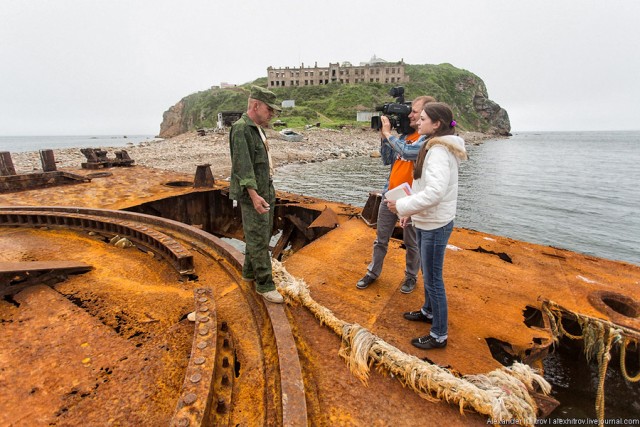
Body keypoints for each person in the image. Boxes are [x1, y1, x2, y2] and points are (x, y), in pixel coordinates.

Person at [387, 102, 467, 349]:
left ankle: (439, 335)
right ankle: (428, 312)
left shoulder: (439, 152)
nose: (416, 122)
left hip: (435, 224)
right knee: (428, 273)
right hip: (428, 219)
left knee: (433, 279)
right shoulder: (436, 147)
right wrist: (411, 213)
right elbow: (426, 190)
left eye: (422, 119)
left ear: (436, 124)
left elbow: (434, 192)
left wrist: (402, 206)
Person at [356, 96, 435, 293]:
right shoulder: (401, 138)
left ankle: (410, 276)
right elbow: (387, 159)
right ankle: (372, 272)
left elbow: (408, 153)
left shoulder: (426, 140)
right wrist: (384, 137)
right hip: (390, 194)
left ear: (427, 114)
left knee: (411, 243)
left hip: (411, 199)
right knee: (381, 239)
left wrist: (388, 133)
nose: (410, 115)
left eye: (415, 112)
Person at [229, 85, 284, 304]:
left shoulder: (255, 128)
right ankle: (265, 285)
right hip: (255, 195)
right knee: (258, 239)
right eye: (269, 110)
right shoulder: (242, 128)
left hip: (264, 191)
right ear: (256, 105)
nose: (271, 114)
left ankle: (249, 273)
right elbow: (243, 166)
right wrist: (253, 195)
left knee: (260, 235)